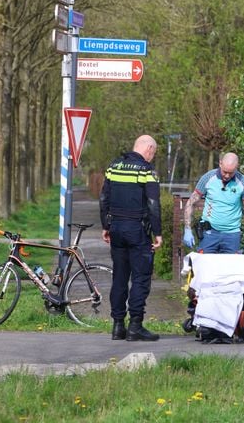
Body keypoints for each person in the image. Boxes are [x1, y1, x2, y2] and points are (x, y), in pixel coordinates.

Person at [100, 135, 163, 341]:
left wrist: (105, 226)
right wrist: (158, 233)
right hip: (137, 231)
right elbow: (153, 204)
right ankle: (135, 326)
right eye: (153, 153)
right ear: (149, 149)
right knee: (140, 278)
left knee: (119, 277)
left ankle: (118, 326)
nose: (152, 157)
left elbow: (104, 198)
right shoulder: (146, 171)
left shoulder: (114, 166)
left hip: (116, 228)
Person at [182, 152, 244, 255]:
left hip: (232, 235)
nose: (227, 176)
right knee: (204, 267)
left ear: (237, 167)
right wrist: (187, 229)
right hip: (209, 233)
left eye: (231, 173)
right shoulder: (208, 178)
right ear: (220, 164)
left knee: (230, 270)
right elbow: (191, 203)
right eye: (225, 172)